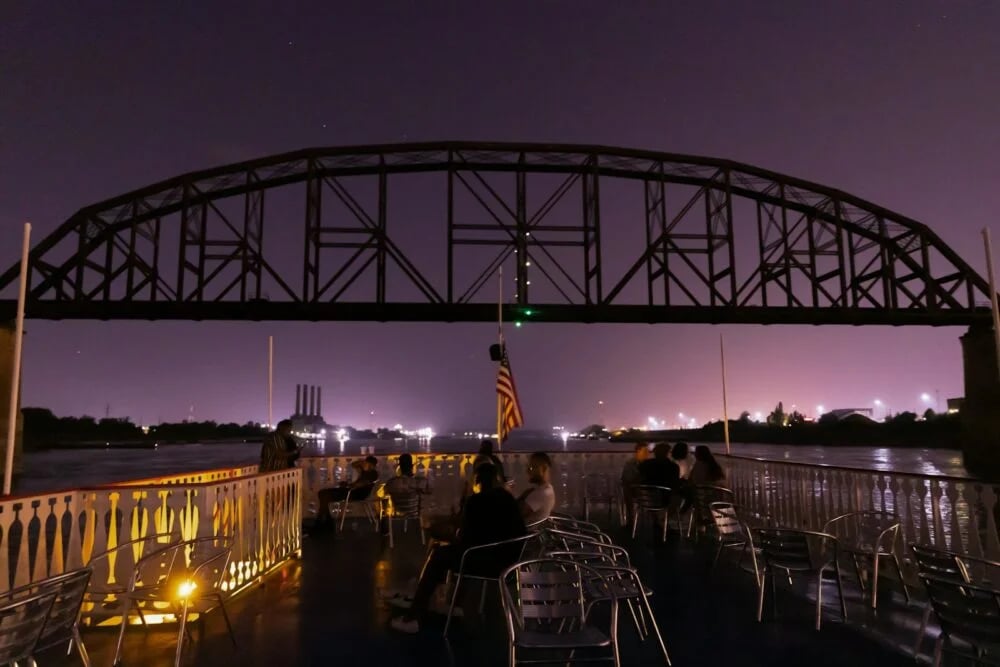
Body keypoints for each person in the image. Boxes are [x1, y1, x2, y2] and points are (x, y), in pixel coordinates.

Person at [390, 463, 526, 634]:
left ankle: (414, 616)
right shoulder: (508, 500)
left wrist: (447, 531)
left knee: (439, 555)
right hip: (510, 562)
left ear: (477, 481)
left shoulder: (476, 501)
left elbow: (466, 539)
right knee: (458, 552)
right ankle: (453, 604)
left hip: (485, 562)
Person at [314, 455, 379, 530]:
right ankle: (325, 521)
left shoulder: (372, 474)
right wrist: (362, 463)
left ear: (371, 465)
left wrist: (348, 485)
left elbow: (360, 484)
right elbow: (353, 464)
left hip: (354, 494)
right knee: (323, 494)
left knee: (324, 495)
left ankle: (323, 522)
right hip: (351, 492)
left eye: (366, 463)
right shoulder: (366, 472)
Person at [516, 452, 555, 523]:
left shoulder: (540, 494)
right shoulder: (548, 488)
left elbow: (514, 514)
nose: (527, 471)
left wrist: (506, 493)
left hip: (527, 533)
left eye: (532, 467)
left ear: (544, 469)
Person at [621, 442, 649, 524]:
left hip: (644, 490)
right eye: (645, 451)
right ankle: (631, 518)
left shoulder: (647, 464)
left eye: (647, 451)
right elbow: (628, 479)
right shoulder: (630, 463)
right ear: (638, 451)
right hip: (634, 490)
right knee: (627, 489)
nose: (647, 453)